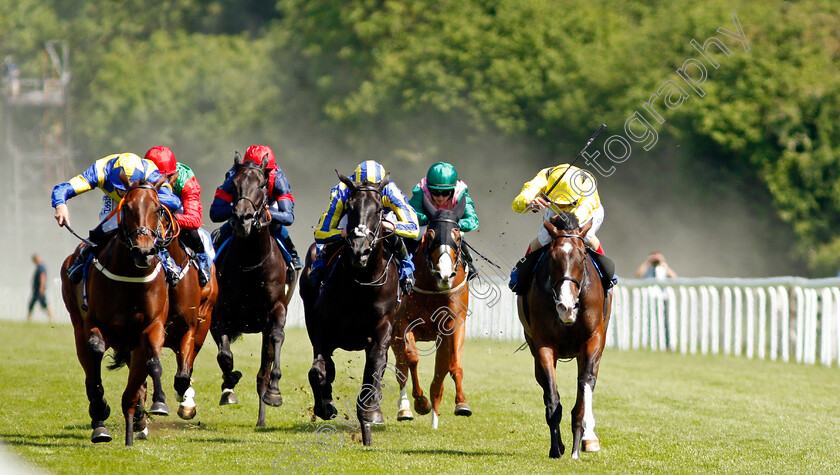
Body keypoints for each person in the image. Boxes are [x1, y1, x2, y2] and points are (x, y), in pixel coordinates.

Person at [52, 152, 182, 284]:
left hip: (141, 200)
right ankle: (86, 254)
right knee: (111, 226)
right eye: (120, 188)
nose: (123, 193)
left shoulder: (149, 171)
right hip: (113, 201)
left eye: (126, 188)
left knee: (149, 218)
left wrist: (145, 198)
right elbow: (63, 188)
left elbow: (174, 201)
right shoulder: (100, 171)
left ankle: (165, 257)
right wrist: (60, 204)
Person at [311, 160, 419, 295]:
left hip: (379, 216)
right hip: (353, 218)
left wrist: (385, 225)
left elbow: (413, 228)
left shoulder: (390, 190)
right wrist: (342, 233)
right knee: (324, 247)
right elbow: (321, 233)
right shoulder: (342, 191)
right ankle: (319, 268)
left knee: (394, 235)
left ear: (380, 186)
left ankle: (407, 268)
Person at [509, 163, 615, 294]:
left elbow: (585, 209)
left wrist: (563, 225)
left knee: (586, 236)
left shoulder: (587, 184)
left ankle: (606, 273)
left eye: (565, 204)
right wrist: (528, 203)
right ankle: (520, 272)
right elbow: (517, 203)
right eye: (557, 201)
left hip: (587, 213)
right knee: (543, 238)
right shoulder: (543, 178)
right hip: (553, 212)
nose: (561, 205)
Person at [209, 144, 301, 270]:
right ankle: (213, 255)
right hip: (242, 205)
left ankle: (292, 254)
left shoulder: (278, 178)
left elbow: (288, 217)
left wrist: (268, 214)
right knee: (231, 224)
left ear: (268, 170)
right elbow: (215, 213)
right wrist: (235, 209)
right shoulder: (234, 176)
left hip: (267, 205)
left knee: (274, 226)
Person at [144, 146, 214, 286]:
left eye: (168, 178)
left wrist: (168, 219)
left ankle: (202, 260)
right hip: (151, 212)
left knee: (192, 232)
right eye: (157, 179)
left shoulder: (187, 181)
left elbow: (194, 220)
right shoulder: (139, 174)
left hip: (175, 215)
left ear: (174, 174)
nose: (163, 182)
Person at [408, 162, 479, 280]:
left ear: (452, 190)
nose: (440, 197)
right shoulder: (421, 190)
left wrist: (454, 224)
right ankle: (404, 266)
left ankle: (469, 263)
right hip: (428, 227)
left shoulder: (460, 192)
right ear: (429, 188)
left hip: (451, 228)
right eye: (435, 192)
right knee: (413, 235)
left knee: (459, 235)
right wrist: (431, 220)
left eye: (445, 193)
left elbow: (473, 220)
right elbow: (410, 214)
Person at [27, 254, 55, 323]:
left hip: (39, 290)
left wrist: (41, 288)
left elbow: (43, 277)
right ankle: (28, 319)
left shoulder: (41, 267)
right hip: (36, 290)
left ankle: (52, 318)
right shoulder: (39, 267)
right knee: (32, 304)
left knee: (44, 304)